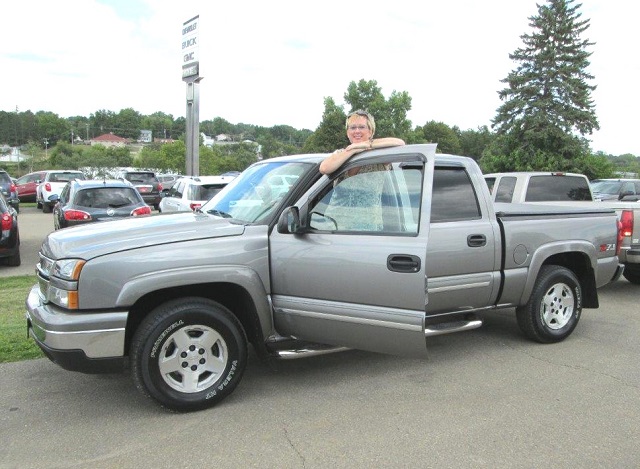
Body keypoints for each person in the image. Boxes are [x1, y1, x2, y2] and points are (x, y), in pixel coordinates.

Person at [318, 110, 405, 175]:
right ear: (348, 133)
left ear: (370, 131)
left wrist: (367, 144)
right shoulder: (341, 153)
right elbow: (324, 168)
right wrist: (353, 150)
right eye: (353, 128)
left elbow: (400, 143)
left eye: (362, 127)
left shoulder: (378, 155)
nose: (357, 131)